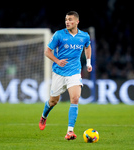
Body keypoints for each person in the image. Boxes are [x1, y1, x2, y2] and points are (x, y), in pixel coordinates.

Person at [39, 11, 92, 140]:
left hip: (74, 72)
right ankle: (44, 116)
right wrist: (57, 61)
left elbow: (87, 47)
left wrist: (89, 63)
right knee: (53, 101)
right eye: (66, 19)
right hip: (59, 72)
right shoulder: (59, 35)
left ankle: (70, 132)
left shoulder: (84, 36)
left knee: (75, 98)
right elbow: (47, 51)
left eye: (70, 19)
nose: (67, 22)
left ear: (77, 21)